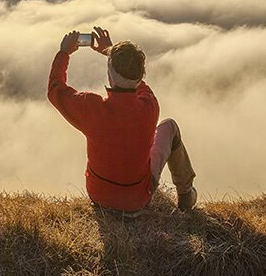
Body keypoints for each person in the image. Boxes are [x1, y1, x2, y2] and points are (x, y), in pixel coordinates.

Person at [47, 26, 197, 215]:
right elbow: (141, 87)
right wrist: (109, 52)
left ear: (110, 76)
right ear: (141, 75)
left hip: (100, 197)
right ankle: (186, 197)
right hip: (138, 199)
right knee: (170, 127)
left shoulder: (91, 108)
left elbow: (55, 88)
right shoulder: (149, 106)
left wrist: (64, 52)